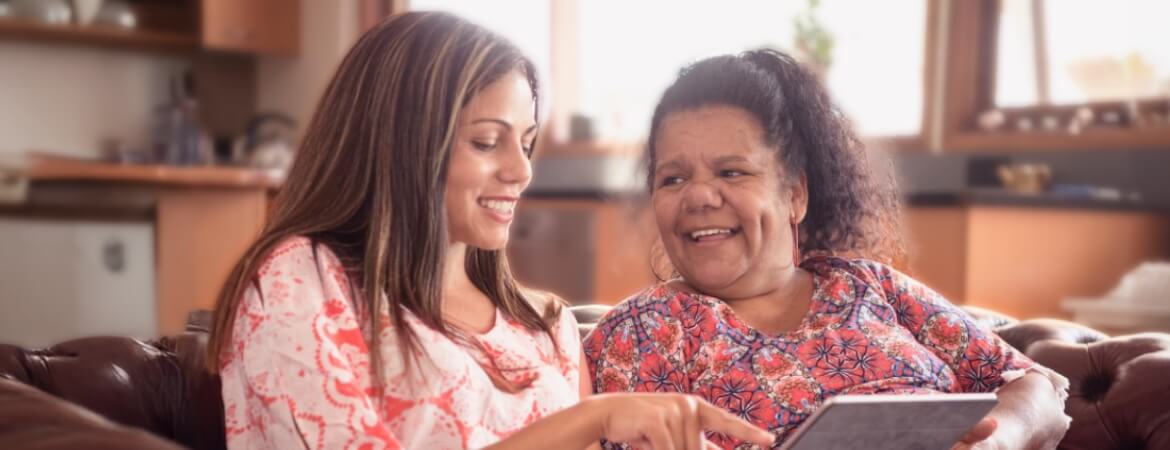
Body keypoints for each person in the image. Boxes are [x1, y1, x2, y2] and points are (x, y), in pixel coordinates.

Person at [204, 12, 774, 450]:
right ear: (402, 140)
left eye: (525, 144)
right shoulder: (301, 278)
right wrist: (592, 418)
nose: (520, 171)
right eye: (485, 141)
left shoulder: (544, 325)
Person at [583, 49, 1071, 450]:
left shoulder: (868, 285)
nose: (699, 196)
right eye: (673, 178)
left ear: (795, 194)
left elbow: (1034, 386)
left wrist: (1000, 440)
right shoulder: (642, 331)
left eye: (732, 172)